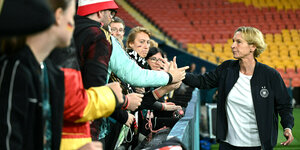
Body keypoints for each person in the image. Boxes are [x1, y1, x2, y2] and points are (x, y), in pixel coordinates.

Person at [74, 0, 188, 149]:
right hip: (91, 124)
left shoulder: (68, 31)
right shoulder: (100, 37)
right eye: (111, 12)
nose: (112, 17)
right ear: (99, 12)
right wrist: (170, 77)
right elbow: (133, 76)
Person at [183, 26, 294, 149]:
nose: (233, 46)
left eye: (239, 42)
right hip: (228, 144)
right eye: (233, 41)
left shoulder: (270, 75)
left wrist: (287, 126)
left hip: (259, 146)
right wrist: (178, 75)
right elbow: (202, 81)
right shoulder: (227, 69)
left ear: (253, 47)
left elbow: (284, 105)